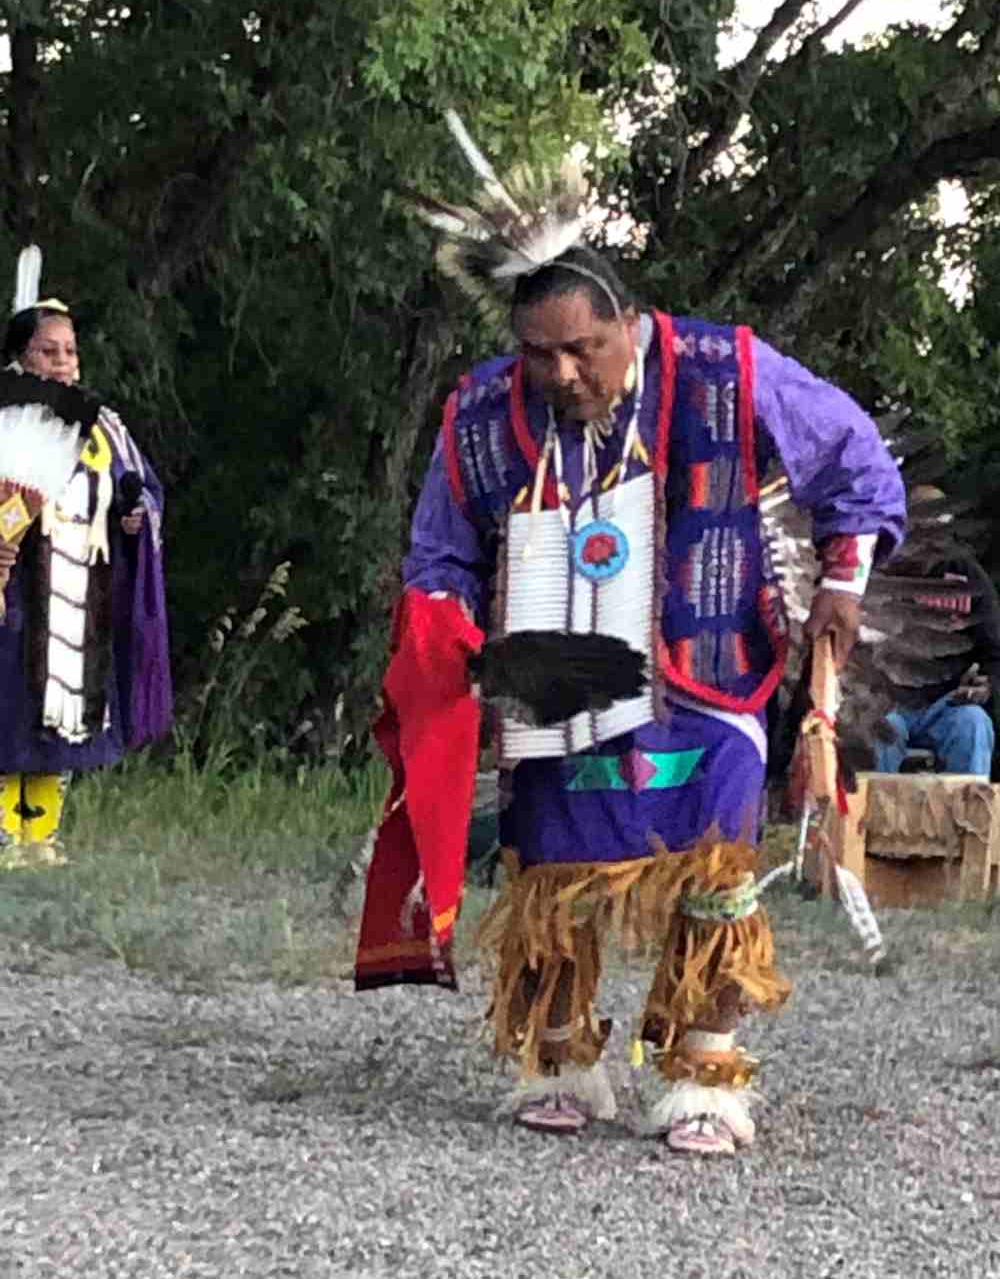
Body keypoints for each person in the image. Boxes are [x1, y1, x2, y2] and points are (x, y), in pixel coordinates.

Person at [354, 124, 905, 1156]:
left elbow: (854, 462)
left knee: (714, 848)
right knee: (551, 857)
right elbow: (439, 551)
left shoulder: (723, 369)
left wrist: (844, 579)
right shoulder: (482, 413)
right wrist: (445, 637)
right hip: (552, 672)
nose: (562, 372)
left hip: (708, 663)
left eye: (584, 349)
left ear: (629, 325)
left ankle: (704, 1070)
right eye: (540, 354)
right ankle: (560, 1054)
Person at [0, 297, 173, 865]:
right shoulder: (6, 417)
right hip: (18, 589)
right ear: (21, 358)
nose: (63, 362)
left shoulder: (105, 428)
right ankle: (5, 835)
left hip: (81, 589)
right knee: (11, 705)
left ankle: (42, 835)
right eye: (48, 351)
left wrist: (135, 516)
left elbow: (142, 486)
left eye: (70, 351)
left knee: (66, 713)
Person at [873, 484, 1000, 778]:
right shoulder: (880, 571)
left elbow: (995, 652)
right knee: (876, 731)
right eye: (923, 529)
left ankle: (967, 821)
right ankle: (869, 821)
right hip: (886, 703)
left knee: (973, 724)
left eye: (939, 529)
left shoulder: (969, 577)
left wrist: (987, 685)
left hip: (949, 702)